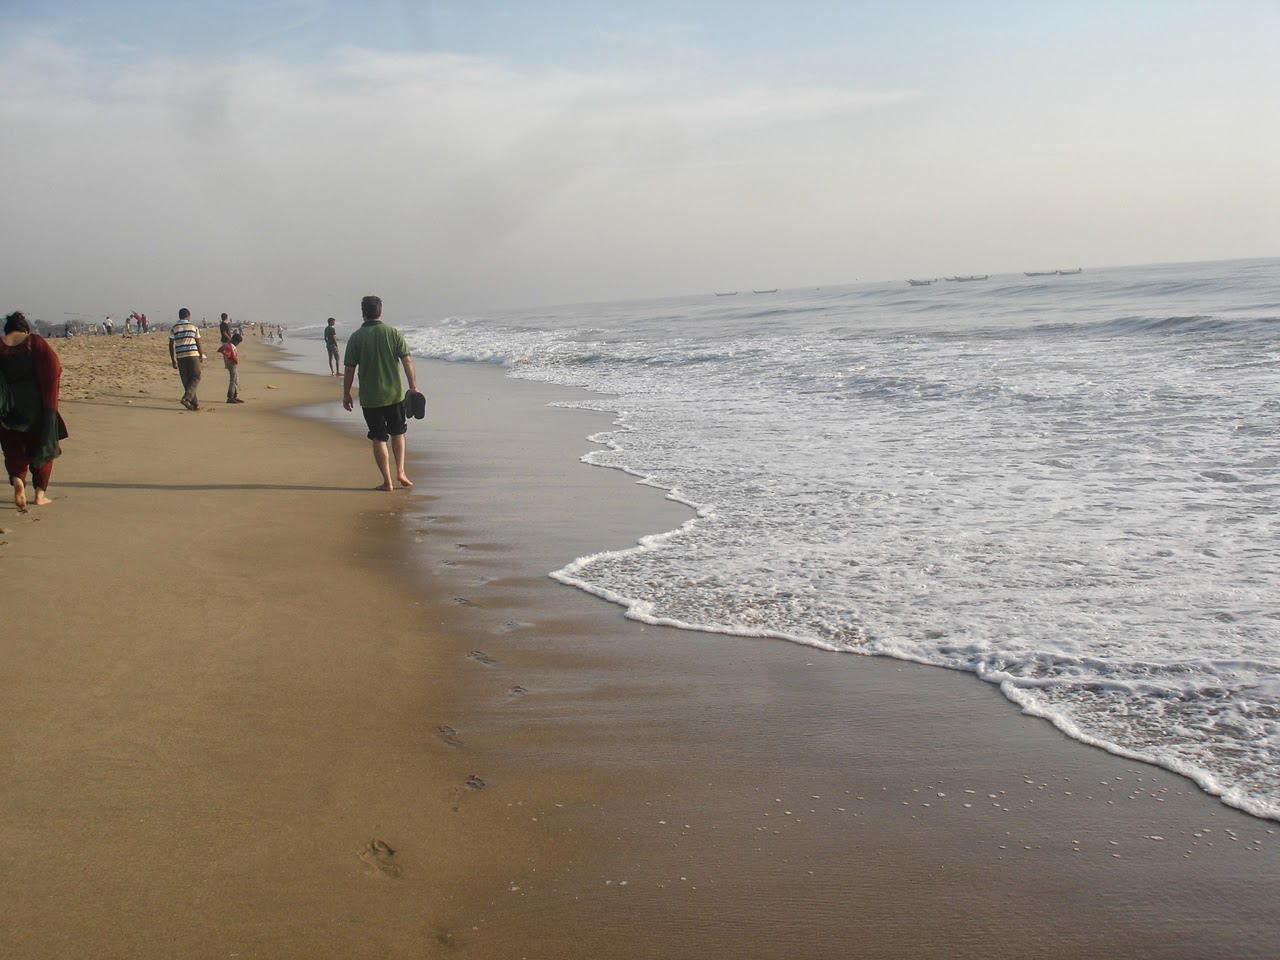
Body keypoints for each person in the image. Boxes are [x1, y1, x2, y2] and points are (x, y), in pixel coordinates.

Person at [342, 295, 418, 491]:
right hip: (395, 394)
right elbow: (407, 360)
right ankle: (400, 471)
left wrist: (346, 393)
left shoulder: (356, 337)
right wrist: (413, 386)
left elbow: (349, 369)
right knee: (398, 432)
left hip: (370, 397)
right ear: (380, 311)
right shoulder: (392, 332)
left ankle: (387, 481)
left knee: (378, 437)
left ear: (363, 313)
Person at [0, 312, 67, 511]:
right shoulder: (34, 342)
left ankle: (18, 481)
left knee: (13, 448)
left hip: (6, 407)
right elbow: (53, 366)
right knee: (42, 446)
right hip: (36, 405)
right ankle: (40, 494)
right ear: (25, 328)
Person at [169, 307, 205, 411]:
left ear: (179, 316)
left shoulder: (174, 327)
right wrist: (201, 355)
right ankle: (187, 398)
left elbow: (171, 344)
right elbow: (198, 341)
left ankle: (195, 404)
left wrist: (173, 360)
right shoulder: (193, 326)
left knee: (186, 380)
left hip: (180, 356)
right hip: (193, 354)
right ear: (188, 316)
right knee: (196, 377)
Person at [217, 333, 245, 403]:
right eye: (238, 342)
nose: (238, 344)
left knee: (235, 379)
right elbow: (229, 355)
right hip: (232, 364)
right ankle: (230, 397)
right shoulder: (230, 346)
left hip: (230, 363)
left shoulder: (229, 344)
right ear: (235, 341)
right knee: (233, 380)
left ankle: (234, 396)